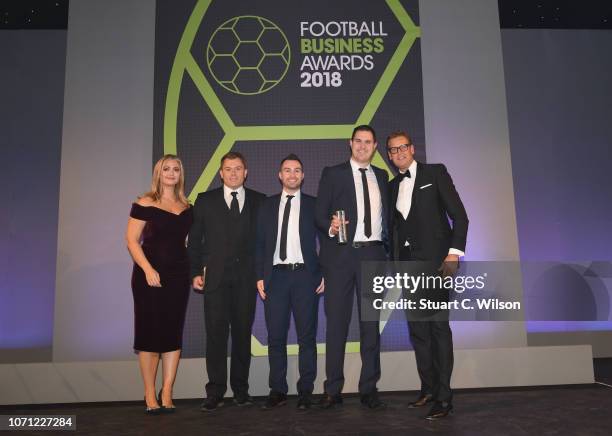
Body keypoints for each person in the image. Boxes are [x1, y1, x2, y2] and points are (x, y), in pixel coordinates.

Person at [386, 131, 468, 420]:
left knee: (438, 330)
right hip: (408, 268)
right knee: (418, 333)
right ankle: (429, 389)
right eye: (393, 150)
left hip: (436, 265)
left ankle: (445, 398)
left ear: (412, 148)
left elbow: (460, 215)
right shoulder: (393, 185)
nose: (398, 153)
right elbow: (395, 228)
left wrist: (454, 253)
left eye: (402, 148)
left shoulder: (436, 172)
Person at [315, 125, 389, 409]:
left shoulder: (382, 176)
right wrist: (332, 227)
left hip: (373, 257)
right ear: (350, 143)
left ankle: (369, 388)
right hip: (340, 259)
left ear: (375, 146)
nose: (362, 146)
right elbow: (320, 216)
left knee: (371, 326)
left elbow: (389, 221)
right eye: (358, 141)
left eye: (368, 142)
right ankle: (332, 389)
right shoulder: (333, 173)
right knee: (336, 325)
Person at [187, 151, 266, 412]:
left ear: (246, 172)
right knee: (216, 336)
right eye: (228, 169)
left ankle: (241, 391)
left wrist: (261, 275)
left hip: (246, 280)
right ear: (221, 173)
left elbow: (264, 244)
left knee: (243, 335)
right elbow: (194, 241)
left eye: (238, 168)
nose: (233, 173)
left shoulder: (259, 201)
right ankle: (215, 392)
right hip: (215, 280)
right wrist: (195, 272)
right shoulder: (205, 201)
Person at [255, 154, 324, 410]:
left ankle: (306, 390)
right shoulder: (266, 205)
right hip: (276, 278)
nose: (292, 174)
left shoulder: (314, 205)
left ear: (303, 176)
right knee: (276, 337)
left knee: (307, 337)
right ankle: (278, 389)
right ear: (280, 175)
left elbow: (327, 242)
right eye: (287, 170)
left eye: (297, 170)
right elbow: (259, 244)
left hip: (306, 277)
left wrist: (324, 272)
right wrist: (259, 276)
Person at [125, 154, 193, 414]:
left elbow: (189, 243)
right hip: (149, 277)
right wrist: (148, 269)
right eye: (167, 168)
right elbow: (131, 240)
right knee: (150, 335)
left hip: (179, 276)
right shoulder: (145, 202)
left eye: (176, 169)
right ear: (158, 172)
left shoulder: (188, 207)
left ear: (180, 175)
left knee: (172, 333)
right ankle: (149, 393)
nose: (171, 173)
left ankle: (167, 391)